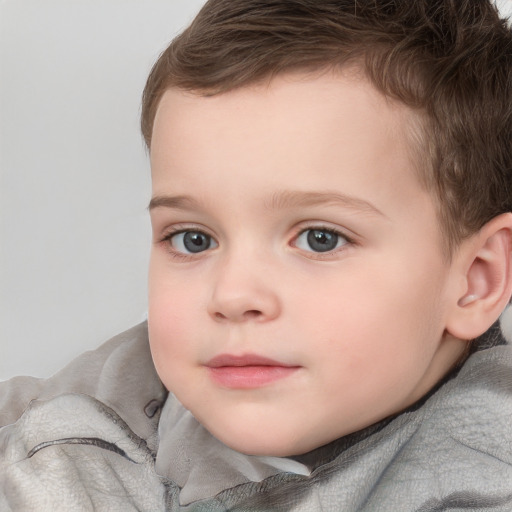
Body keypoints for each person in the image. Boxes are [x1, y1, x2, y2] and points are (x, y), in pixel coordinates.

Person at [1, 0, 511, 510]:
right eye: (193, 239)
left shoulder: (482, 472)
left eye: (320, 239)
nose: (233, 294)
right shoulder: (77, 418)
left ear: (475, 281)